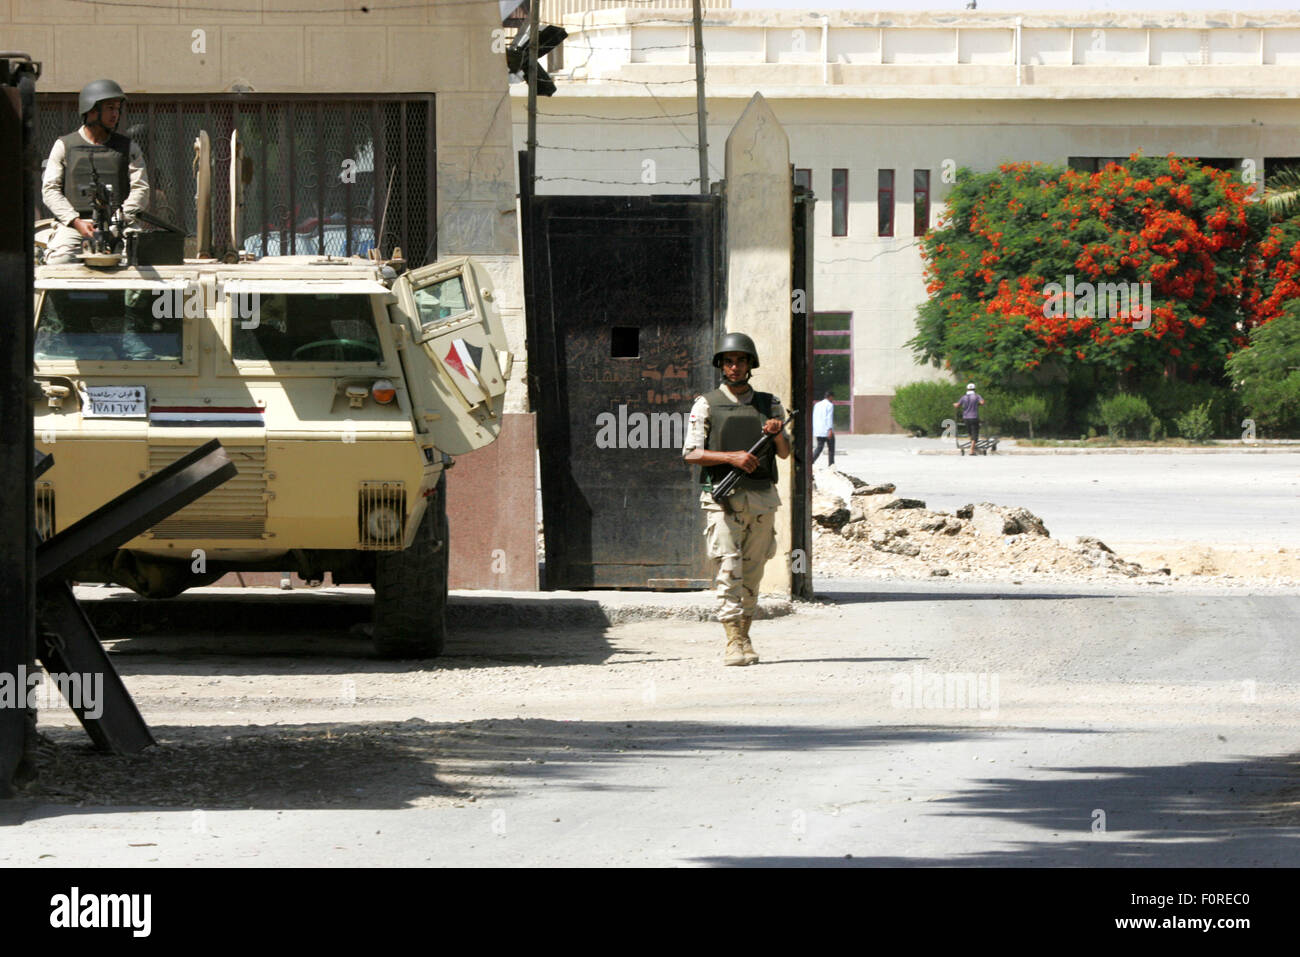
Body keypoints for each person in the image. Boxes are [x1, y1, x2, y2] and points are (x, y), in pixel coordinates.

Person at [682, 332, 792, 667]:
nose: (735, 366)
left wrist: (776, 434)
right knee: (728, 569)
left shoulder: (770, 405)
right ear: (721, 365)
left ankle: (746, 635)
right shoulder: (706, 403)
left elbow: (786, 454)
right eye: (729, 361)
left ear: (750, 364)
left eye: (741, 360)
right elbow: (691, 453)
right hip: (723, 499)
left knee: (753, 572)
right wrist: (732, 458)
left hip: (761, 499)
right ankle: (733, 641)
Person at [41, 79, 150, 265]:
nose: (115, 114)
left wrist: (118, 219)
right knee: (58, 261)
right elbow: (50, 189)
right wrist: (75, 221)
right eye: (110, 108)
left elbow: (141, 189)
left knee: (140, 258)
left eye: (117, 109)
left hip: (119, 223)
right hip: (74, 224)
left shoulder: (128, 148)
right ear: (91, 110)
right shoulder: (64, 146)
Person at [954, 382, 984, 456]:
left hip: (966, 417)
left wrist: (954, 404)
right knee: (975, 433)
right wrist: (978, 404)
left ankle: (972, 445)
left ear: (967, 389)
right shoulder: (977, 396)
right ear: (974, 389)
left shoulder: (964, 397)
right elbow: (982, 402)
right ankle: (972, 450)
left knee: (970, 432)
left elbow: (957, 405)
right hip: (974, 417)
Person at [812, 390, 836, 465]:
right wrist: (830, 430)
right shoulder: (829, 405)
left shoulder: (817, 404)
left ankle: (811, 461)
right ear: (830, 397)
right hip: (826, 430)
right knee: (831, 448)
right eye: (833, 397)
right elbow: (829, 418)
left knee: (819, 447)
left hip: (818, 430)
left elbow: (815, 417)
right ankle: (831, 464)